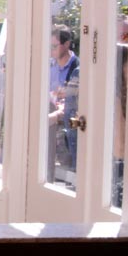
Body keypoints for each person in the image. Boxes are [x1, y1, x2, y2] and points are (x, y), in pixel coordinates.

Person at [48, 24, 80, 182]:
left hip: (68, 120)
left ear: (66, 44)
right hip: (52, 112)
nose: (50, 50)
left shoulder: (77, 68)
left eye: (54, 46)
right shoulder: (49, 66)